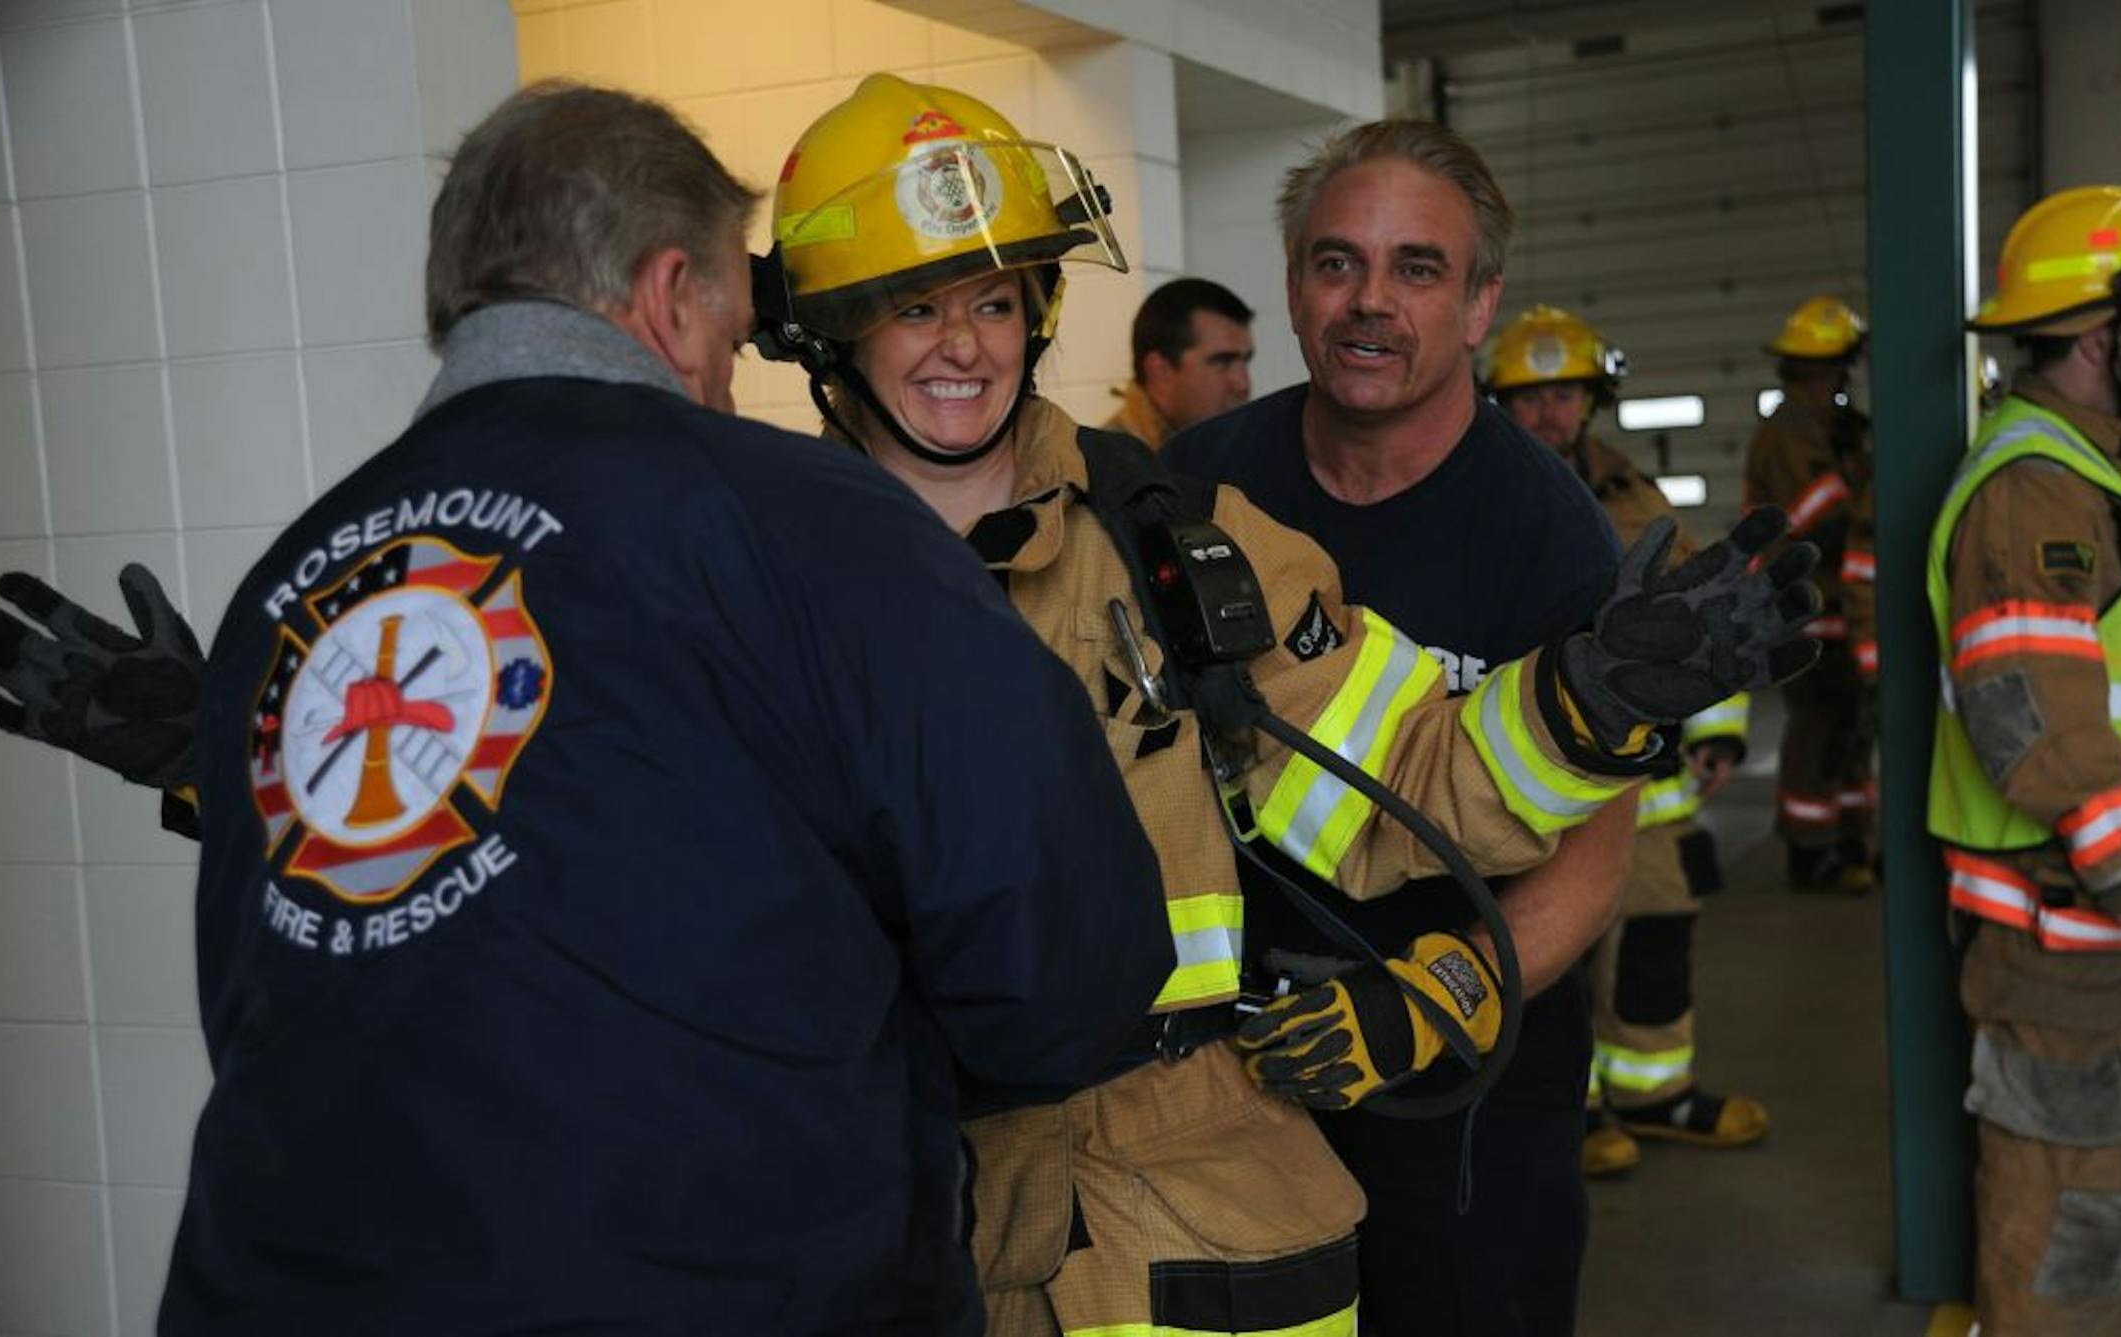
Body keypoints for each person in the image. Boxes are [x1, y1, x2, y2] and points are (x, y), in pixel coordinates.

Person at [0, 82, 1178, 1335]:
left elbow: (305, 973)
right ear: (671, 294)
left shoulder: (296, 580)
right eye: (729, 310)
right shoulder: (817, 528)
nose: (728, 364)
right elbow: (1072, 978)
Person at [763, 76, 1817, 1337]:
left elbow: (1408, 777)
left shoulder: (1175, 536)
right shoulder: (762, 582)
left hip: (1202, 1200)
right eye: (912, 306)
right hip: (901, 1180)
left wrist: (1589, 703)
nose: (965, 345)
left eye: (995, 298)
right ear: (830, 331)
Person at [1164, 121, 1675, 1337]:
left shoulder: (1546, 532)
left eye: (1418, 269)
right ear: (1295, 284)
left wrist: (1428, 1001)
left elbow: (1595, 851)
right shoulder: (1196, 482)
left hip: (1469, 1088)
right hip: (1231, 1068)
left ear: (1480, 299)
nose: (1370, 304)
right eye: (1337, 263)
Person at [1930, 183, 2121, 1335]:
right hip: (2067, 934)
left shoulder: (2112, 469)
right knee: (2069, 1215)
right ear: (2105, 334)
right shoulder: (2036, 486)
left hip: (2114, 929)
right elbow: (2028, 712)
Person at [1485, 304, 1768, 1178]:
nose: (1547, 412)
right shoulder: (1484, 486)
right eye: (1529, 395)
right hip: (1531, 769)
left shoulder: (1629, 490)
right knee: (1547, 946)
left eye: (1563, 391)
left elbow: (1697, 609)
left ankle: (1654, 1091)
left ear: (1592, 397)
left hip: (1646, 774)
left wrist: (1719, 729)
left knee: (1654, 930)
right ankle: (1571, 1107)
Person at [1743, 295, 1879, 893]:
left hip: (1838, 606)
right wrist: (1862, 475)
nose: (1840, 383)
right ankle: (1809, 850)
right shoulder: (1788, 433)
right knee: (1817, 731)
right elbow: (1818, 515)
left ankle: (1848, 839)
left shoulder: (1828, 429)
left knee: (1850, 732)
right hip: (1802, 605)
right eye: (1836, 371)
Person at [1103, 276, 1256, 447]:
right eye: (1222, 362)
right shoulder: (1106, 466)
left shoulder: (1219, 449)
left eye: (1246, 361)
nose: (1243, 384)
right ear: (1161, 371)